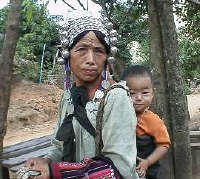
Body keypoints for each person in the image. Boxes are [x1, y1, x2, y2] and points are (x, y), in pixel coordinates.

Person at [24, 11, 139, 179]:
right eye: (81, 49)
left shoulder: (115, 98)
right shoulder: (68, 98)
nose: (91, 59)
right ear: (67, 55)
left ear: (107, 58)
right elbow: (59, 146)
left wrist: (57, 172)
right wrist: (47, 161)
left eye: (99, 51)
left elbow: (120, 167)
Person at [121, 65, 171, 179]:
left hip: (147, 171)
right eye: (132, 93)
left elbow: (164, 145)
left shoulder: (153, 120)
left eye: (145, 93)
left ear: (152, 94)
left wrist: (147, 162)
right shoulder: (119, 117)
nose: (138, 98)